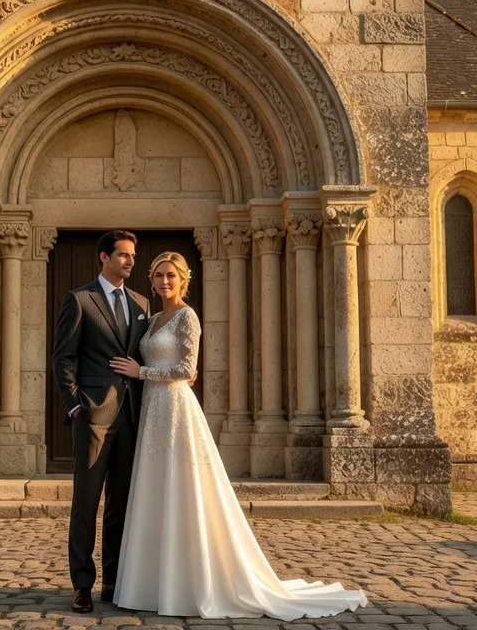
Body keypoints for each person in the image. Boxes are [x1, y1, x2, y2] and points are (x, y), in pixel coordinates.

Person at [107, 251, 368, 620]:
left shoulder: (187, 316)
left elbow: (186, 368)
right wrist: (142, 372)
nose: (165, 282)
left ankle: (187, 585)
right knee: (154, 489)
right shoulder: (149, 322)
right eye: (159, 275)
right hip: (152, 412)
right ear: (151, 280)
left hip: (177, 410)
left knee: (183, 490)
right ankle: (150, 585)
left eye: (171, 276)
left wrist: (142, 372)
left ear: (183, 280)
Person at [50, 230, 149, 613]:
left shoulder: (140, 303)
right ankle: (81, 584)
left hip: (131, 417)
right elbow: (63, 357)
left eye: (132, 256)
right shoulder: (80, 300)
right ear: (103, 258)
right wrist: (75, 406)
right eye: (122, 255)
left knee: (120, 503)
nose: (129, 261)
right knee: (86, 503)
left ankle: (113, 581)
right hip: (93, 416)